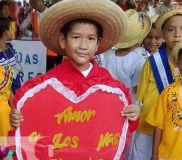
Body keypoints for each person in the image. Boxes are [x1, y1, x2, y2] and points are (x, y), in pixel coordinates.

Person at [10, 0, 139, 158]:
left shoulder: (109, 85)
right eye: (76, 37)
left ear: (98, 43)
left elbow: (116, 126)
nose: (83, 45)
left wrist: (131, 116)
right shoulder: (46, 85)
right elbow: (35, 123)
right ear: (63, 40)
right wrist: (19, 117)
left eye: (91, 39)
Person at [135, 4, 182, 160]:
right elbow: (139, 97)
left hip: (178, 131)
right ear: (163, 33)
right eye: (171, 30)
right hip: (148, 129)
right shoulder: (152, 62)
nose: (177, 35)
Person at [97, 9, 151, 104]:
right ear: (139, 41)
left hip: (109, 101)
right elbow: (138, 89)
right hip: (129, 104)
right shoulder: (138, 60)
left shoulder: (108, 54)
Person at [0, 18, 22, 94]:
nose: (15, 30)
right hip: (4, 91)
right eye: (12, 28)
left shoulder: (11, 46)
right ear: (6, 33)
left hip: (16, 86)